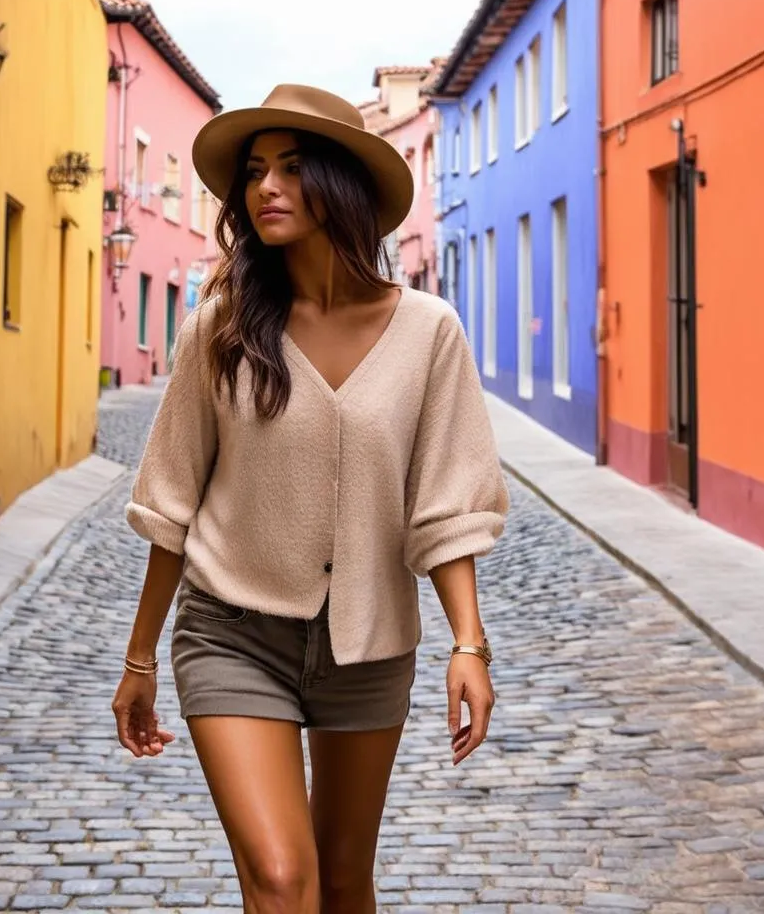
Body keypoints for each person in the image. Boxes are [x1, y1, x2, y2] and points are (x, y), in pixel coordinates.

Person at [111, 84, 510, 914]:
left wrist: (468, 645)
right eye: (254, 171)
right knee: (283, 880)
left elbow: (445, 503)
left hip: (368, 648)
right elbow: (169, 502)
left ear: (341, 185)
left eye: (291, 169)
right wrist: (140, 657)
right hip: (232, 633)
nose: (265, 188)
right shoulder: (220, 327)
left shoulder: (429, 332)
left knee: (340, 881)